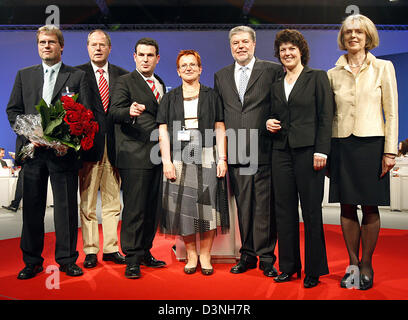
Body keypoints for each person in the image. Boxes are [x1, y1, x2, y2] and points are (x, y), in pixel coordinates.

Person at [6, 25, 89, 279]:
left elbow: (84, 113)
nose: (46, 46)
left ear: (61, 46)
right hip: (33, 153)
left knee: (65, 210)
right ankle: (31, 261)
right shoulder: (24, 75)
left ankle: (67, 260)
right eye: (42, 42)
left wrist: (66, 140)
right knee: (31, 208)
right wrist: (32, 135)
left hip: (63, 153)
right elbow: (13, 111)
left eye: (51, 42)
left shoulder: (77, 76)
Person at [327, 14, 398, 290]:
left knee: (370, 206)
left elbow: (391, 113)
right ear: (343, 38)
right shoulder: (332, 73)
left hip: (372, 145)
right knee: (346, 206)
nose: (353, 36)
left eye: (358, 31)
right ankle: (353, 263)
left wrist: (389, 151)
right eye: (348, 32)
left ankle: (367, 264)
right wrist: (327, 151)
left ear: (368, 36)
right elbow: (328, 116)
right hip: (341, 144)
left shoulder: (384, 67)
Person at [266, 29, 334, 288]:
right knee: (284, 212)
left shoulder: (317, 77)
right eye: (283, 50)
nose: (287, 53)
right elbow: (273, 115)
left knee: (311, 212)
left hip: (309, 153)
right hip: (281, 152)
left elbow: (326, 116)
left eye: (291, 48)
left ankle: (313, 270)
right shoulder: (275, 85)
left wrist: (322, 150)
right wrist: (268, 122)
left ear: (301, 51)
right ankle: (288, 267)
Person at [214, 26, 282, 277]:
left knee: (264, 206)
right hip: (236, 150)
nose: (240, 46)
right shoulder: (221, 75)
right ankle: (247, 254)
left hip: (264, 148)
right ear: (230, 47)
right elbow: (221, 115)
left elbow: (279, 105)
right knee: (243, 205)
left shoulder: (272, 70)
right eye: (235, 43)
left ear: (254, 44)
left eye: (244, 42)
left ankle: (266, 257)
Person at [157, 50, 229, 275]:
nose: (188, 68)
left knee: (206, 209)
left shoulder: (211, 95)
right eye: (183, 65)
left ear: (200, 69)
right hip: (178, 157)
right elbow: (163, 132)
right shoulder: (169, 98)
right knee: (185, 210)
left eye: (193, 64)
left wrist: (222, 158)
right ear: (178, 71)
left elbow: (219, 128)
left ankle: (206, 256)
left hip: (207, 155)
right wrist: (166, 161)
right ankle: (191, 255)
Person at [110, 37, 166, 279]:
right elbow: (113, 112)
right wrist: (128, 112)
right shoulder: (124, 81)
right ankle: (131, 258)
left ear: (157, 58)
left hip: (158, 154)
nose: (145, 59)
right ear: (134, 57)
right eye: (141, 55)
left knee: (152, 208)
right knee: (135, 209)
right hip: (134, 154)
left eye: (150, 55)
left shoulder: (160, 83)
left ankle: (145, 252)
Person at [75, 29, 128, 269]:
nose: (98, 48)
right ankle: (89, 250)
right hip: (89, 149)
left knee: (112, 201)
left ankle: (110, 248)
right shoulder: (76, 74)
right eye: (93, 44)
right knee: (87, 202)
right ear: (87, 47)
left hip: (115, 147)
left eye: (102, 44)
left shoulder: (122, 76)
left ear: (109, 48)